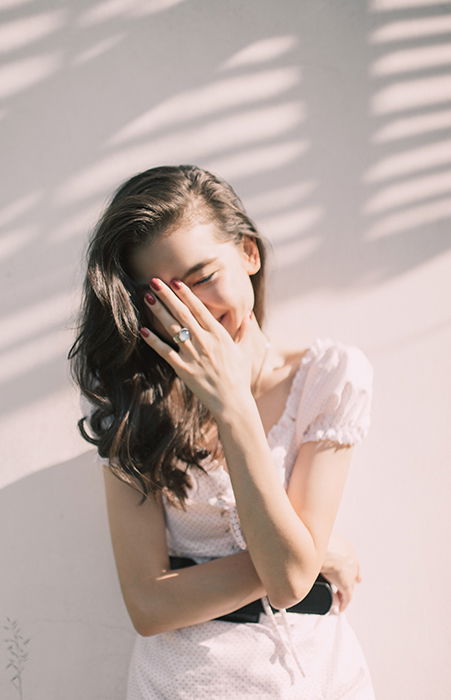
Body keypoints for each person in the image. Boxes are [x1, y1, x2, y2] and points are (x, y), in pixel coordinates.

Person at [69, 164, 376, 699]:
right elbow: (148, 605)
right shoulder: (131, 398)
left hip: (316, 677)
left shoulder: (329, 376)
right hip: (185, 681)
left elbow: (290, 583)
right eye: (165, 298)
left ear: (249, 254)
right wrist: (312, 552)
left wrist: (233, 404)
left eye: (204, 278)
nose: (195, 314)